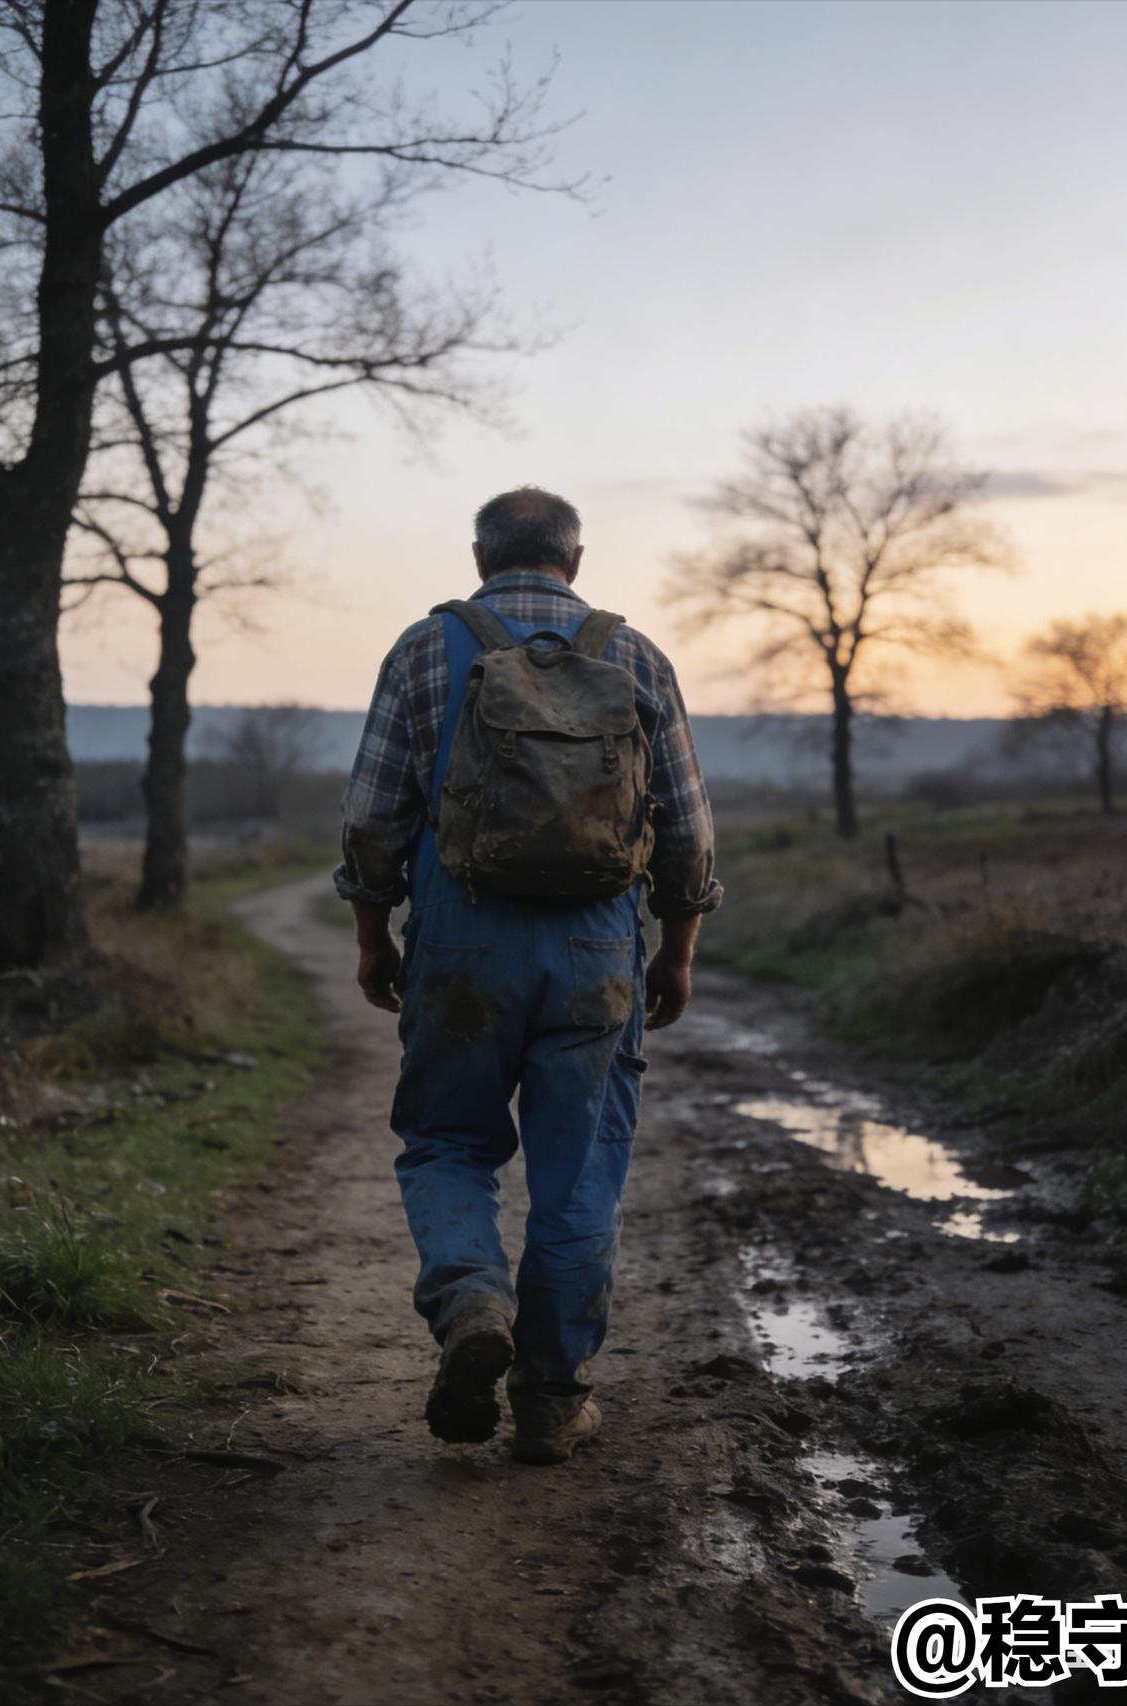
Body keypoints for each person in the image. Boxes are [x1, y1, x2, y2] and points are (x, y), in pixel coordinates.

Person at [335, 486, 722, 1464]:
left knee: (447, 1139)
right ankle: (549, 1399)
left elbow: (373, 813)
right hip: (594, 950)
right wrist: (673, 950)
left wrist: (372, 933)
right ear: (574, 559)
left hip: (460, 942)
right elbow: (683, 827)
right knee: (577, 1172)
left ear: (479, 557)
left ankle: (471, 1298)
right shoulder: (632, 654)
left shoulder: (425, 648)